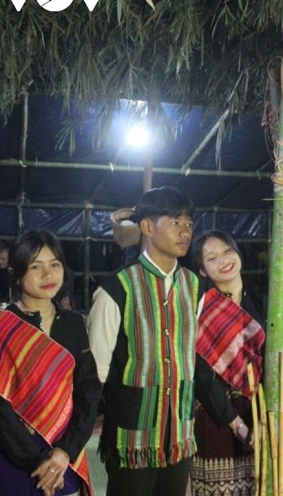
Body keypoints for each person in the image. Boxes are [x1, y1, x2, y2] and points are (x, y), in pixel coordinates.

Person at [0, 230, 101, 496]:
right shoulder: (1, 326)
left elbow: (89, 390)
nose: (48, 274)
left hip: (64, 453)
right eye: (35, 266)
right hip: (13, 458)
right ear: (17, 274)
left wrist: (66, 451)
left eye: (54, 264)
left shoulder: (74, 324)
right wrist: (37, 461)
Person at [87, 186, 199, 496]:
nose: (185, 231)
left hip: (180, 433)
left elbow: (197, 358)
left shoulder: (195, 287)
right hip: (131, 437)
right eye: (175, 221)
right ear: (147, 227)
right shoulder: (115, 288)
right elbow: (96, 369)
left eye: (189, 223)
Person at [190, 230, 266, 495]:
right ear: (202, 270)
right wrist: (238, 425)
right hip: (216, 419)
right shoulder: (199, 309)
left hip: (260, 416)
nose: (224, 260)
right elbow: (200, 375)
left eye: (227, 250)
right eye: (212, 258)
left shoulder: (263, 301)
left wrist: (264, 421)